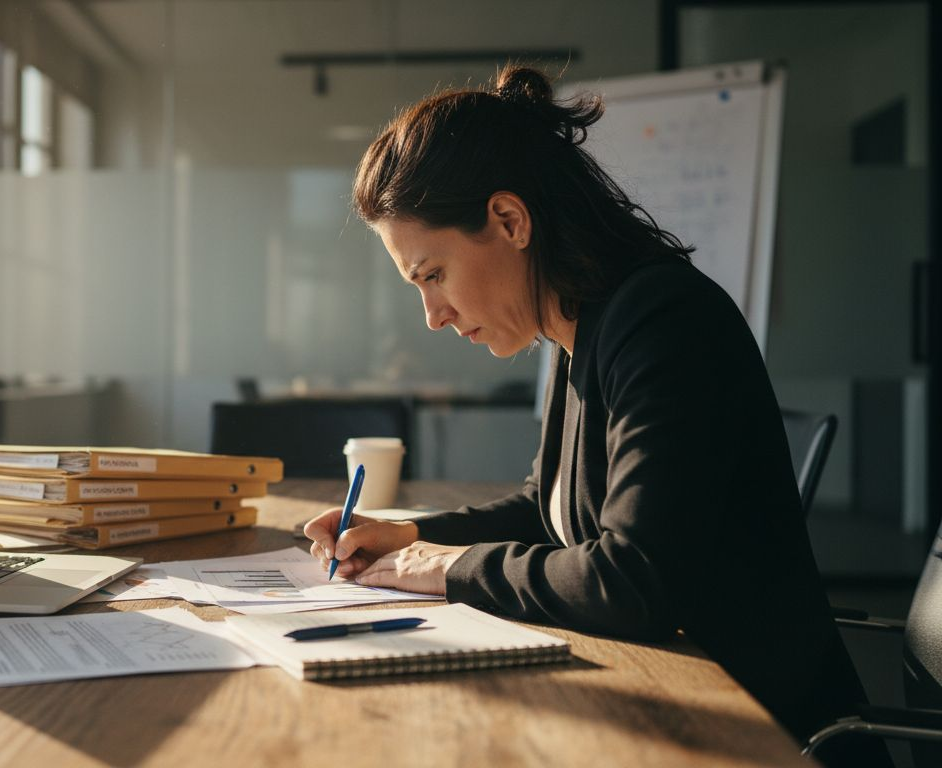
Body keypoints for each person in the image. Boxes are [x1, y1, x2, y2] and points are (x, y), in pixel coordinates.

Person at [304, 66, 887, 767]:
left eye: (433, 275)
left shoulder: (664, 322)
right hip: (664, 697)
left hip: (756, 734)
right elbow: (546, 507)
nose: (432, 315)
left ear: (510, 221)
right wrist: (406, 533)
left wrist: (449, 566)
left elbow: (631, 581)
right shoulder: (577, 326)